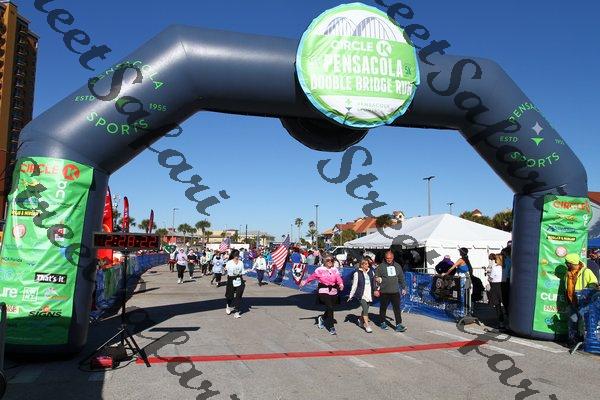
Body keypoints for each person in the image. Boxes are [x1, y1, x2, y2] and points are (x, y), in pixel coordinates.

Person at [301, 254, 344, 335]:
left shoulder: (335, 270)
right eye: (328, 260)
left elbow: (338, 278)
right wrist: (304, 282)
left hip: (333, 290)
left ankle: (322, 318)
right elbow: (312, 277)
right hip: (323, 290)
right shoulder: (319, 270)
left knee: (330, 308)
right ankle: (331, 327)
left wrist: (341, 284)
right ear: (324, 261)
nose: (330, 262)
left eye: (331, 260)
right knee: (330, 307)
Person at [564, 253, 599, 344]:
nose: (565, 264)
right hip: (572, 302)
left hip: (583, 302)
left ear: (572, 263)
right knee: (572, 320)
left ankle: (581, 341)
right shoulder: (568, 273)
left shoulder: (586, 271)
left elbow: (594, 283)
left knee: (581, 322)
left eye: (567, 263)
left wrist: (586, 293)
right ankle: (572, 340)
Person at [375, 250, 407, 332]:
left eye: (390, 258)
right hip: (384, 291)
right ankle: (382, 322)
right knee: (383, 308)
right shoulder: (380, 267)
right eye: (387, 258)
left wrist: (404, 287)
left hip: (395, 291)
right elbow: (375, 278)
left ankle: (398, 324)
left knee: (397, 309)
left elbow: (401, 278)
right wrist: (376, 286)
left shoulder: (397, 266)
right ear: (385, 258)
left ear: (393, 257)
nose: (389, 260)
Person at [348, 258, 375, 333]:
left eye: (368, 264)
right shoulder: (357, 273)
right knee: (365, 310)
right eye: (365, 264)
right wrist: (351, 295)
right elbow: (354, 285)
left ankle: (360, 319)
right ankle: (367, 326)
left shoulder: (371, 272)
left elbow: (374, 283)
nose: (367, 265)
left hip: (369, 294)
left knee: (365, 309)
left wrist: (377, 288)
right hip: (362, 294)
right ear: (362, 265)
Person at [224, 249, 246, 318]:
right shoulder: (229, 262)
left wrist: (246, 271)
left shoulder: (241, 262)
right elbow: (225, 269)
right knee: (230, 296)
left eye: (238, 255)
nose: (237, 256)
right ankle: (228, 306)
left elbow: (242, 272)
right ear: (233, 255)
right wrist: (225, 269)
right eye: (235, 255)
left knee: (238, 296)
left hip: (239, 280)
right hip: (231, 280)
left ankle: (237, 312)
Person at [487, 253, 505, 328]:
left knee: (497, 305)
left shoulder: (495, 268)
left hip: (495, 286)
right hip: (503, 285)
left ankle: (501, 323)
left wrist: (488, 278)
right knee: (506, 304)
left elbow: (491, 278)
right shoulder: (505, 267)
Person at [500, 241, 512, 315]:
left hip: (505, 280)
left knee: (504, 296)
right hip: (510, 279)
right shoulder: (511, 259)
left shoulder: (506, 260)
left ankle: (507, 310)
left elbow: (505, 271)